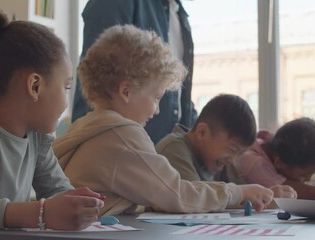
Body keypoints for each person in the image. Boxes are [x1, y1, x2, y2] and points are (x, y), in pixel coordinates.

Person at [54, 24, 275, 217]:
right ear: (126, 91)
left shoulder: (86, 126)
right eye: (156, 97)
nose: (157, 110)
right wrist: (238, 192)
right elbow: (176, 194)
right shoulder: (122, 134)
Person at [0, 9, 104, 230]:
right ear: (35, 86)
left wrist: (76, 204)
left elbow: (58, 191)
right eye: (66, 87)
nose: (67, 101)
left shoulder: (36, 139)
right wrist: (39, 213)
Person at [71, 0, 197, 144]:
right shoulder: (116, 4)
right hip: (121, 146)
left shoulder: (180, 14)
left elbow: (181, 98)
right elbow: (99, 82)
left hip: (161, 148)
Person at [156, 94, 297, 199]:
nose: (233, 160)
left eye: (239, 153)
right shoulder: (174, 149)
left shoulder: (218, 161)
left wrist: (263, 197)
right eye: (232, 150)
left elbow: (240, 193)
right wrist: (246, 197)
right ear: (202, 132)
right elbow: (195, 199)